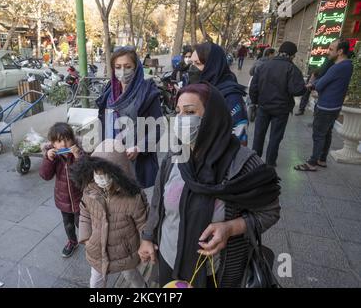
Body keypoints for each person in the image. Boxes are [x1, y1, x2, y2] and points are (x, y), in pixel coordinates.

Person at [138, 83, 281, 288]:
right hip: (169, 261)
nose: (180, 120)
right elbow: (157, 202)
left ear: (212, 116)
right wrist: (148, 237)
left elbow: (270, 211)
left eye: (189, 112)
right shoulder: (175, 155)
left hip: (216, 272)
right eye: (177, 112)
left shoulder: (243, 164)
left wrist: (231, 227)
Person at [70, 139, 148, 288]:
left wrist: (145, 243)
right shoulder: (90, 189)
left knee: (132, 275)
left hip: (125, 252)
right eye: (97, 174)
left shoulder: (133, 198)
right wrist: (86, 237)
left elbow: (143, 222)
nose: (101, 178)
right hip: (97, 250)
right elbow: (85, 212)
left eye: (106, 174)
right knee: (96, 281)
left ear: (120, 173)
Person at [96, 47, 162, 189]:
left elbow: (158, 127)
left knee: (134, 202)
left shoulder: (147, 92)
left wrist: (140, 147)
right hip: (111, 155)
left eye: (127, 67)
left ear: (136, 67)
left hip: (135, 160)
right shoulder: (109, 91)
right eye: (118, 67)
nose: (122, 71)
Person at [294, 39, 353, 172]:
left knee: (319, 134)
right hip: (335, 106)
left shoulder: (338, 67)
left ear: (340, 51)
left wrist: (313, 85)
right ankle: (322, 159)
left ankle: (312, 162)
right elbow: (326, 80)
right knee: (327, 133)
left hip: (326, 106)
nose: (328, 51)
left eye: (331, 49)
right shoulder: (348, 65)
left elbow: (320, 84)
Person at [250, 41, 307, 167]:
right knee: (275, 137)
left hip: (263, 107)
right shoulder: (292, 69)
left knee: (258, 134)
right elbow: (297, 90)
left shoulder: (264, 65)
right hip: (281, 110)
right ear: (292, 55)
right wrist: (305, 87)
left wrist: (254, 102)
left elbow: (253, 87)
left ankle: (254, 161)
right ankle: (270, 162)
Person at [189, 42, 249, 146]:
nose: (192, 69)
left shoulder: (231, 98)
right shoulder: (197, 90)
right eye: (191, 63)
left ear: (213, 65)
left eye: (198, 63)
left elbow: (240, 142)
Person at [39, 123, 83, 258]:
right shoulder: (54, 157)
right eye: (58, 141)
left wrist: (78, 158)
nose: (63, 144)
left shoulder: (80, 152)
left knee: (81, 222)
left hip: (80, 197)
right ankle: (72, 241)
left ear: (73, 139)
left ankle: (90, 242)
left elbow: (86, 174)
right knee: (68, 224)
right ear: (53, 144)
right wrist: (48, 159)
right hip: (63, 198)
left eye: (67, 139)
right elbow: (45, 176)